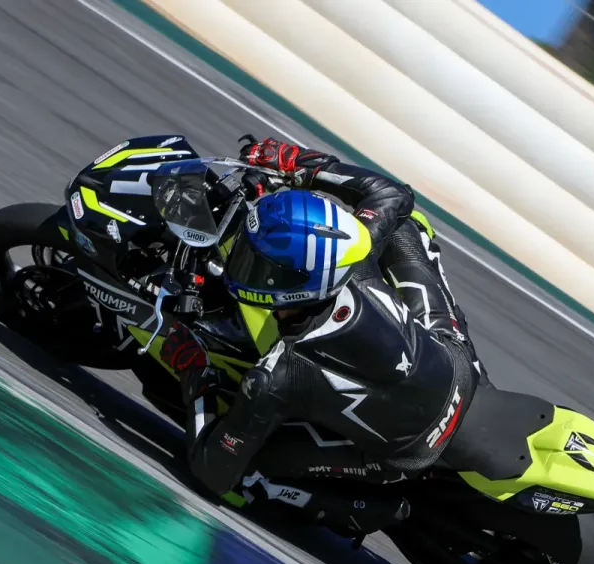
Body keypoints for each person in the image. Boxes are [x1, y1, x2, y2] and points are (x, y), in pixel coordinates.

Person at [159, 138, 488, 537]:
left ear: (298, 286)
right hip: (457, 362)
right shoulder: (353, 257)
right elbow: (392, 195)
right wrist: (300, 163)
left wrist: (195, 375)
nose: (244, 264)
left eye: (258, 264)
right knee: (407, 225)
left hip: (408, 452)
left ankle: (357, 508)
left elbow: (212, 473)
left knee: (244, 470)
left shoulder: (277, 376)